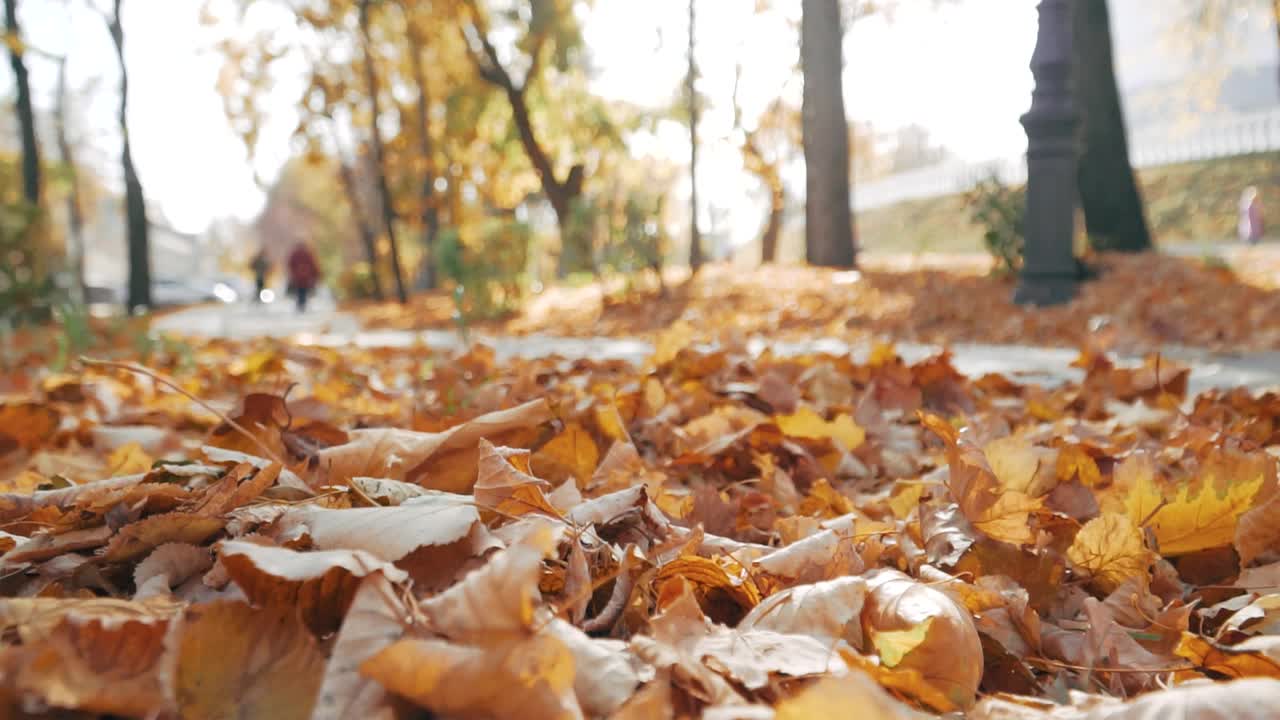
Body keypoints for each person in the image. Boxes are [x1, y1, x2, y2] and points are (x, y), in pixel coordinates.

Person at [286, 242, 320, 313]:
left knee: (300, 291)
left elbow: (290, 264)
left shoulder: (295, 254)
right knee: (304, 290)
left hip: (297, 276)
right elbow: (313, 264)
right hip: (306, 276)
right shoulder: (308, 254)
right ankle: (302, 304)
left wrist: (292, 273)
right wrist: (316, 274)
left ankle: (300, 304)